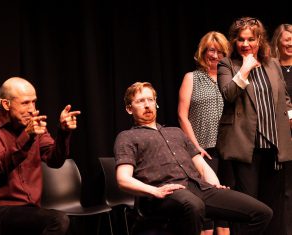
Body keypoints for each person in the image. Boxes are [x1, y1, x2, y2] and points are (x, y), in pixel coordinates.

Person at [114, 81, 273, 235]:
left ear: (156, 103)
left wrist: (215, 185)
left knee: (262, 213)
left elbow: (200, 164)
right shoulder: (127, 137)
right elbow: (123, 179)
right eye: (140, 101)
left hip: (199, 188)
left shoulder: (175, 132)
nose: (147, 105)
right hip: (166, 192)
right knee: (194, 205)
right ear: (129, 109)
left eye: (150, 100)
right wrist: (155, 191)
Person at [0, 77, 81, 235]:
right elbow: (1, 164)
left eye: (34, 102)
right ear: (5, 104)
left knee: (66, 225)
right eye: (25, 103)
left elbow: (54, 161)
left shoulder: (33, 127)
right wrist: (27, 136)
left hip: (31, 211)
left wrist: (63, 132)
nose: (32, 109)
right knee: (57, 220)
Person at [216, 17, 292, 235]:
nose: (246, 44)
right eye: (241, 39)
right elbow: (229, 94)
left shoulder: (273, 64)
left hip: (274, 146)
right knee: (251, 208)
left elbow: (284, 99)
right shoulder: (227, 64)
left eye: (251, 39)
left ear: (260, 40)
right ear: (234, 41)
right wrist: (245, 69)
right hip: (246, 148)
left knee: (273, 207)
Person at [178, 31, 230, 235]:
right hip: (202, 150)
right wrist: (195, 147)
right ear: (203, 52)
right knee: (206, 201)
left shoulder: (230, 79)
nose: (215, 55)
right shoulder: (192, 78)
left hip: (228, 149)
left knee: (226, 201)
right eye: (211, 50)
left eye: (220, 52)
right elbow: (182, 115)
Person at [271, 23, 292, 235]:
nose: (291, 44)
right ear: (278, 41)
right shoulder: (272, 66)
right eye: (287, 39)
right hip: (280, 133)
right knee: (284, 189)